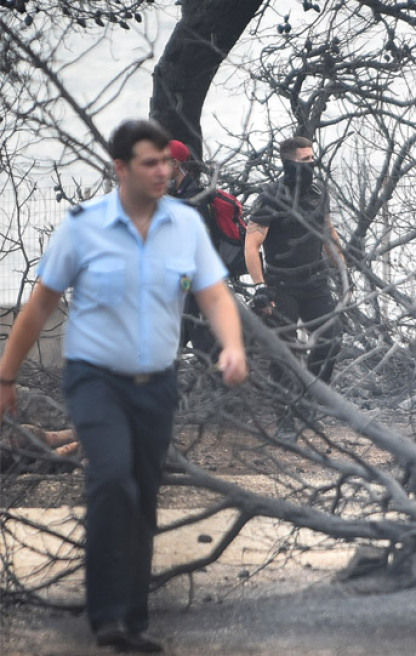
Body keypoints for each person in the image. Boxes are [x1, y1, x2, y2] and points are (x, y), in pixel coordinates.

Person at [0, 119, 248, 652]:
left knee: (144, 491)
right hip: (95, 379)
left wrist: (232, 345)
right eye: (151, 163)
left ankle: (133, 620)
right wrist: (7, 374)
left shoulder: (183, 226)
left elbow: (216, 296)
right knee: (111, 477)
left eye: (168, 162)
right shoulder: (83, 227)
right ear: (121, 168)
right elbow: (40, 304)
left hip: (156, 383)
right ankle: (106, 615)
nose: (164, 171)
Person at [245, 136, 345, 437]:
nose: (311, 165)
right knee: (283, 354)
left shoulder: (318, 192)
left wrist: (343, 269)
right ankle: (286, 421)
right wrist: (260, 286)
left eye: (313, 159)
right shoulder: (270, 197)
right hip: (281, 285)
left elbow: (328, 233)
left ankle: (310, 404)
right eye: (304, 161)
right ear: (288, 163)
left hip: (315, 283)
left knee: (332, 339)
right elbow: (252, 245)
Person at [168, 140, 218, 356]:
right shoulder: (177, 195)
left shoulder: (194, 198)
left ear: (176, 163)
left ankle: (219, 384)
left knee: (197, 339)